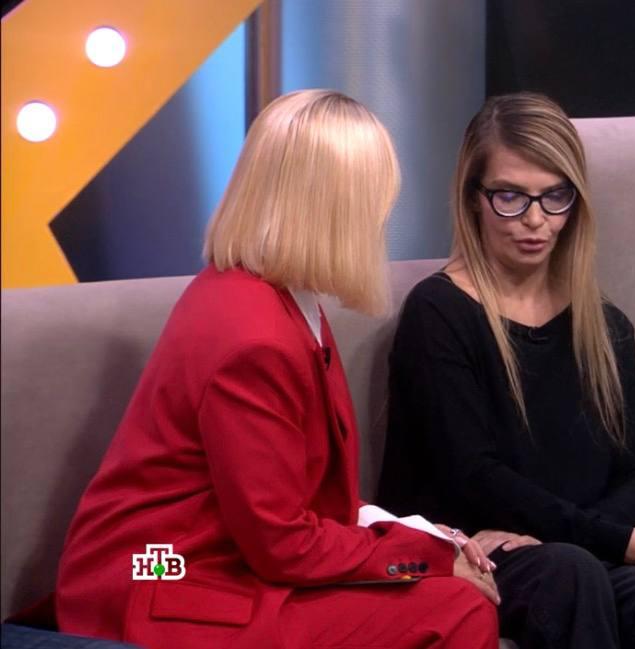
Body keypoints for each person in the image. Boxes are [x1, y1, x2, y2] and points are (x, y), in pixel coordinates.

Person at [55, 89, 499, 649]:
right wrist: (422, 559)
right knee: (454, 610)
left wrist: (419, 536)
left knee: (443, 595)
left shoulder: (281, 299)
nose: (383, 215)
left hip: (216, 555)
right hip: (160, 571)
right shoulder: (253, 337)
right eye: (375, 198)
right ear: (335, 207)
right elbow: (281, 543)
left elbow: (291, 504)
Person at [377, 92, 635, 649]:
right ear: (473, 199)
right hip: (474, 555)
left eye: (555, 196)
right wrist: (615, 540)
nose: (535, 220)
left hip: (573, 552)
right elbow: (474, 476)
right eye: (510, 196)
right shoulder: (438, 312)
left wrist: (577, 537)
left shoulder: (605, 325)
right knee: (568, 574)